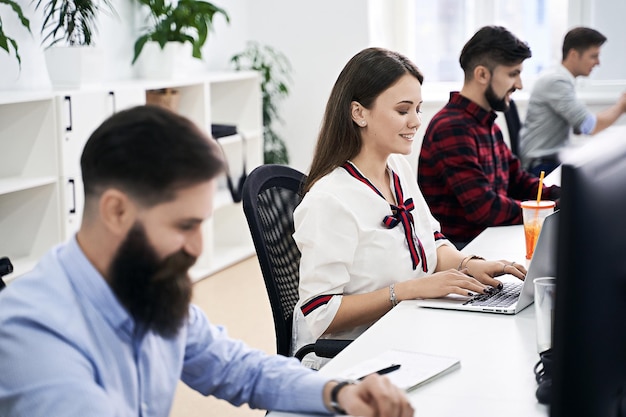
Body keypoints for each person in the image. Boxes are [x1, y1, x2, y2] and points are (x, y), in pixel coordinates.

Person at [0, 105, 414, 417]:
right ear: (116, 211)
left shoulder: (144, 285)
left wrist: (338, 393)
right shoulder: (36, 336)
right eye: (184, 225)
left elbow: (239, 369)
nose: (197, 247)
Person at [292, 47, 527, 370]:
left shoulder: (398, 169)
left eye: (417, 108)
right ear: (359, 113)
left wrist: (469, 264)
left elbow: (430, 241)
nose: (417, 121)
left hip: (407, 331)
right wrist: (407, 291)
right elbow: (319, 314)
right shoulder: (329, 200)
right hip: (353, 358)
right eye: (403, 110)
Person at [417, 26, 560, 249]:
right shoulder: (450, 127)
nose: (519, 85)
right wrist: (547, 208)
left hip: (489, 242)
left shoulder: (488, 126)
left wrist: (560, 196)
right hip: (464, 252)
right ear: (482, 74)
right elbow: (484, 208)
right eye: (513, 74)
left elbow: (517, 180)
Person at [519, 26, 626, 176]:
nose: (598, 63)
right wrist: (621, 106)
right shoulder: (556, 82)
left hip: (549, 160)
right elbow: (590, 127)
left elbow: (581, 126)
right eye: (593, 56)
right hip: (542, 166)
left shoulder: (561, 79)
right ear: (574, 54)